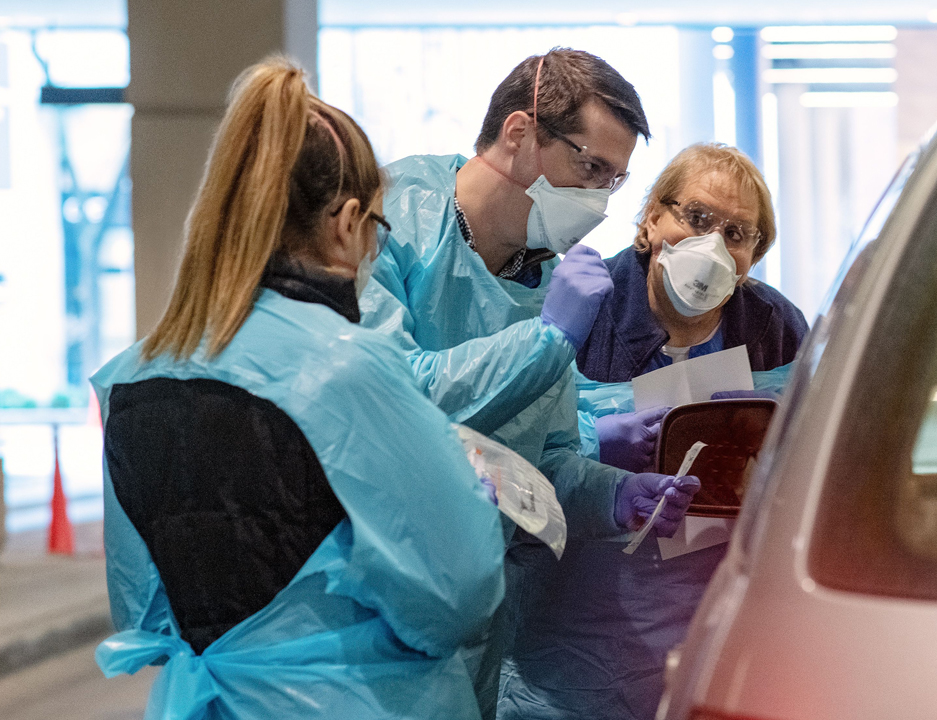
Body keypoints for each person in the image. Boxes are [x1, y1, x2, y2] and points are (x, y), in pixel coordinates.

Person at [91, 58, 506, 719]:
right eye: (377, 225)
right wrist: (469, 497)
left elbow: (140, 604)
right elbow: (458, 598)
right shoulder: (351, 369)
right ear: (347, 223)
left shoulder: (131, 378)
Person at [359, 48, 700, 719]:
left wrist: (618, 495)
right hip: (378, 618)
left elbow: (536, 470)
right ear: (520, 134)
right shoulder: (391, 223)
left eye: (615, 180)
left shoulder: (539, 276)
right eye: (590, 167)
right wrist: (545, 341)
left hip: (478, 618)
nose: (601, 200)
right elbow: (392, 403)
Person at [497, 143, 809, 720]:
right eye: (697, 218)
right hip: (574, 635)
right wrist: (592, 440)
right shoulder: (586, 307)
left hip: (708, 616)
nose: (713, 244)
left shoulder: (775, 327)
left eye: (738, 234)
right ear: (650, 221)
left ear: (752, 257)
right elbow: (506, 450)